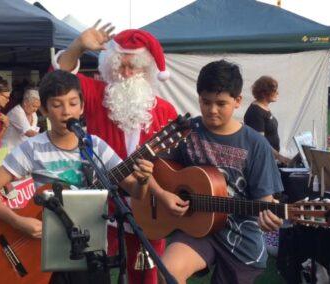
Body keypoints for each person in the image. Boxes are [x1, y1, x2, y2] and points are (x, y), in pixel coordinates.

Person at [0, 70, 154, 283]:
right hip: (48, 253)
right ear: (44, 109)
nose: (66, 112)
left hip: (91, 252)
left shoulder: (95, 146)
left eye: (72, 103)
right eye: (57, 104)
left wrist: (143, 181)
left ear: (82, 107)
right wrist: (18, 222)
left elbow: (135, 191)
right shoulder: (33, 148)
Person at [55, 22, 180, 284]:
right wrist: (77, 46)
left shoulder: (166, 112)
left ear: (145, 70)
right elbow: (59, 81)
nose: (124, 73)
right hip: (99, 208)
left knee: (145, 277)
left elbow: (173, 168)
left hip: (147, 211)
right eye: (119, 66)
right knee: (90, 274)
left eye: (132, 67)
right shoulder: (97, 96)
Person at [155, 60, 284, 284]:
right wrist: (163, 194)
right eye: (206, 102)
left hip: (240, 238)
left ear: (237, 101)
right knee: (168, 273)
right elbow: (152, 168)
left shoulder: (255, 144)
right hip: (196, 229)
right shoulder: (187, 132)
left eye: (221, 103)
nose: (212, 110)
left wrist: (269, 217)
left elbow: (266, 200)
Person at [244, 76, 291, 165]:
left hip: (269, 158)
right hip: (261, 160)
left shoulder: (264, 108)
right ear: (265, 93)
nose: (277, 93)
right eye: (274, 90)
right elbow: (260, 141)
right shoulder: (256, 112)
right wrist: (279, 156)